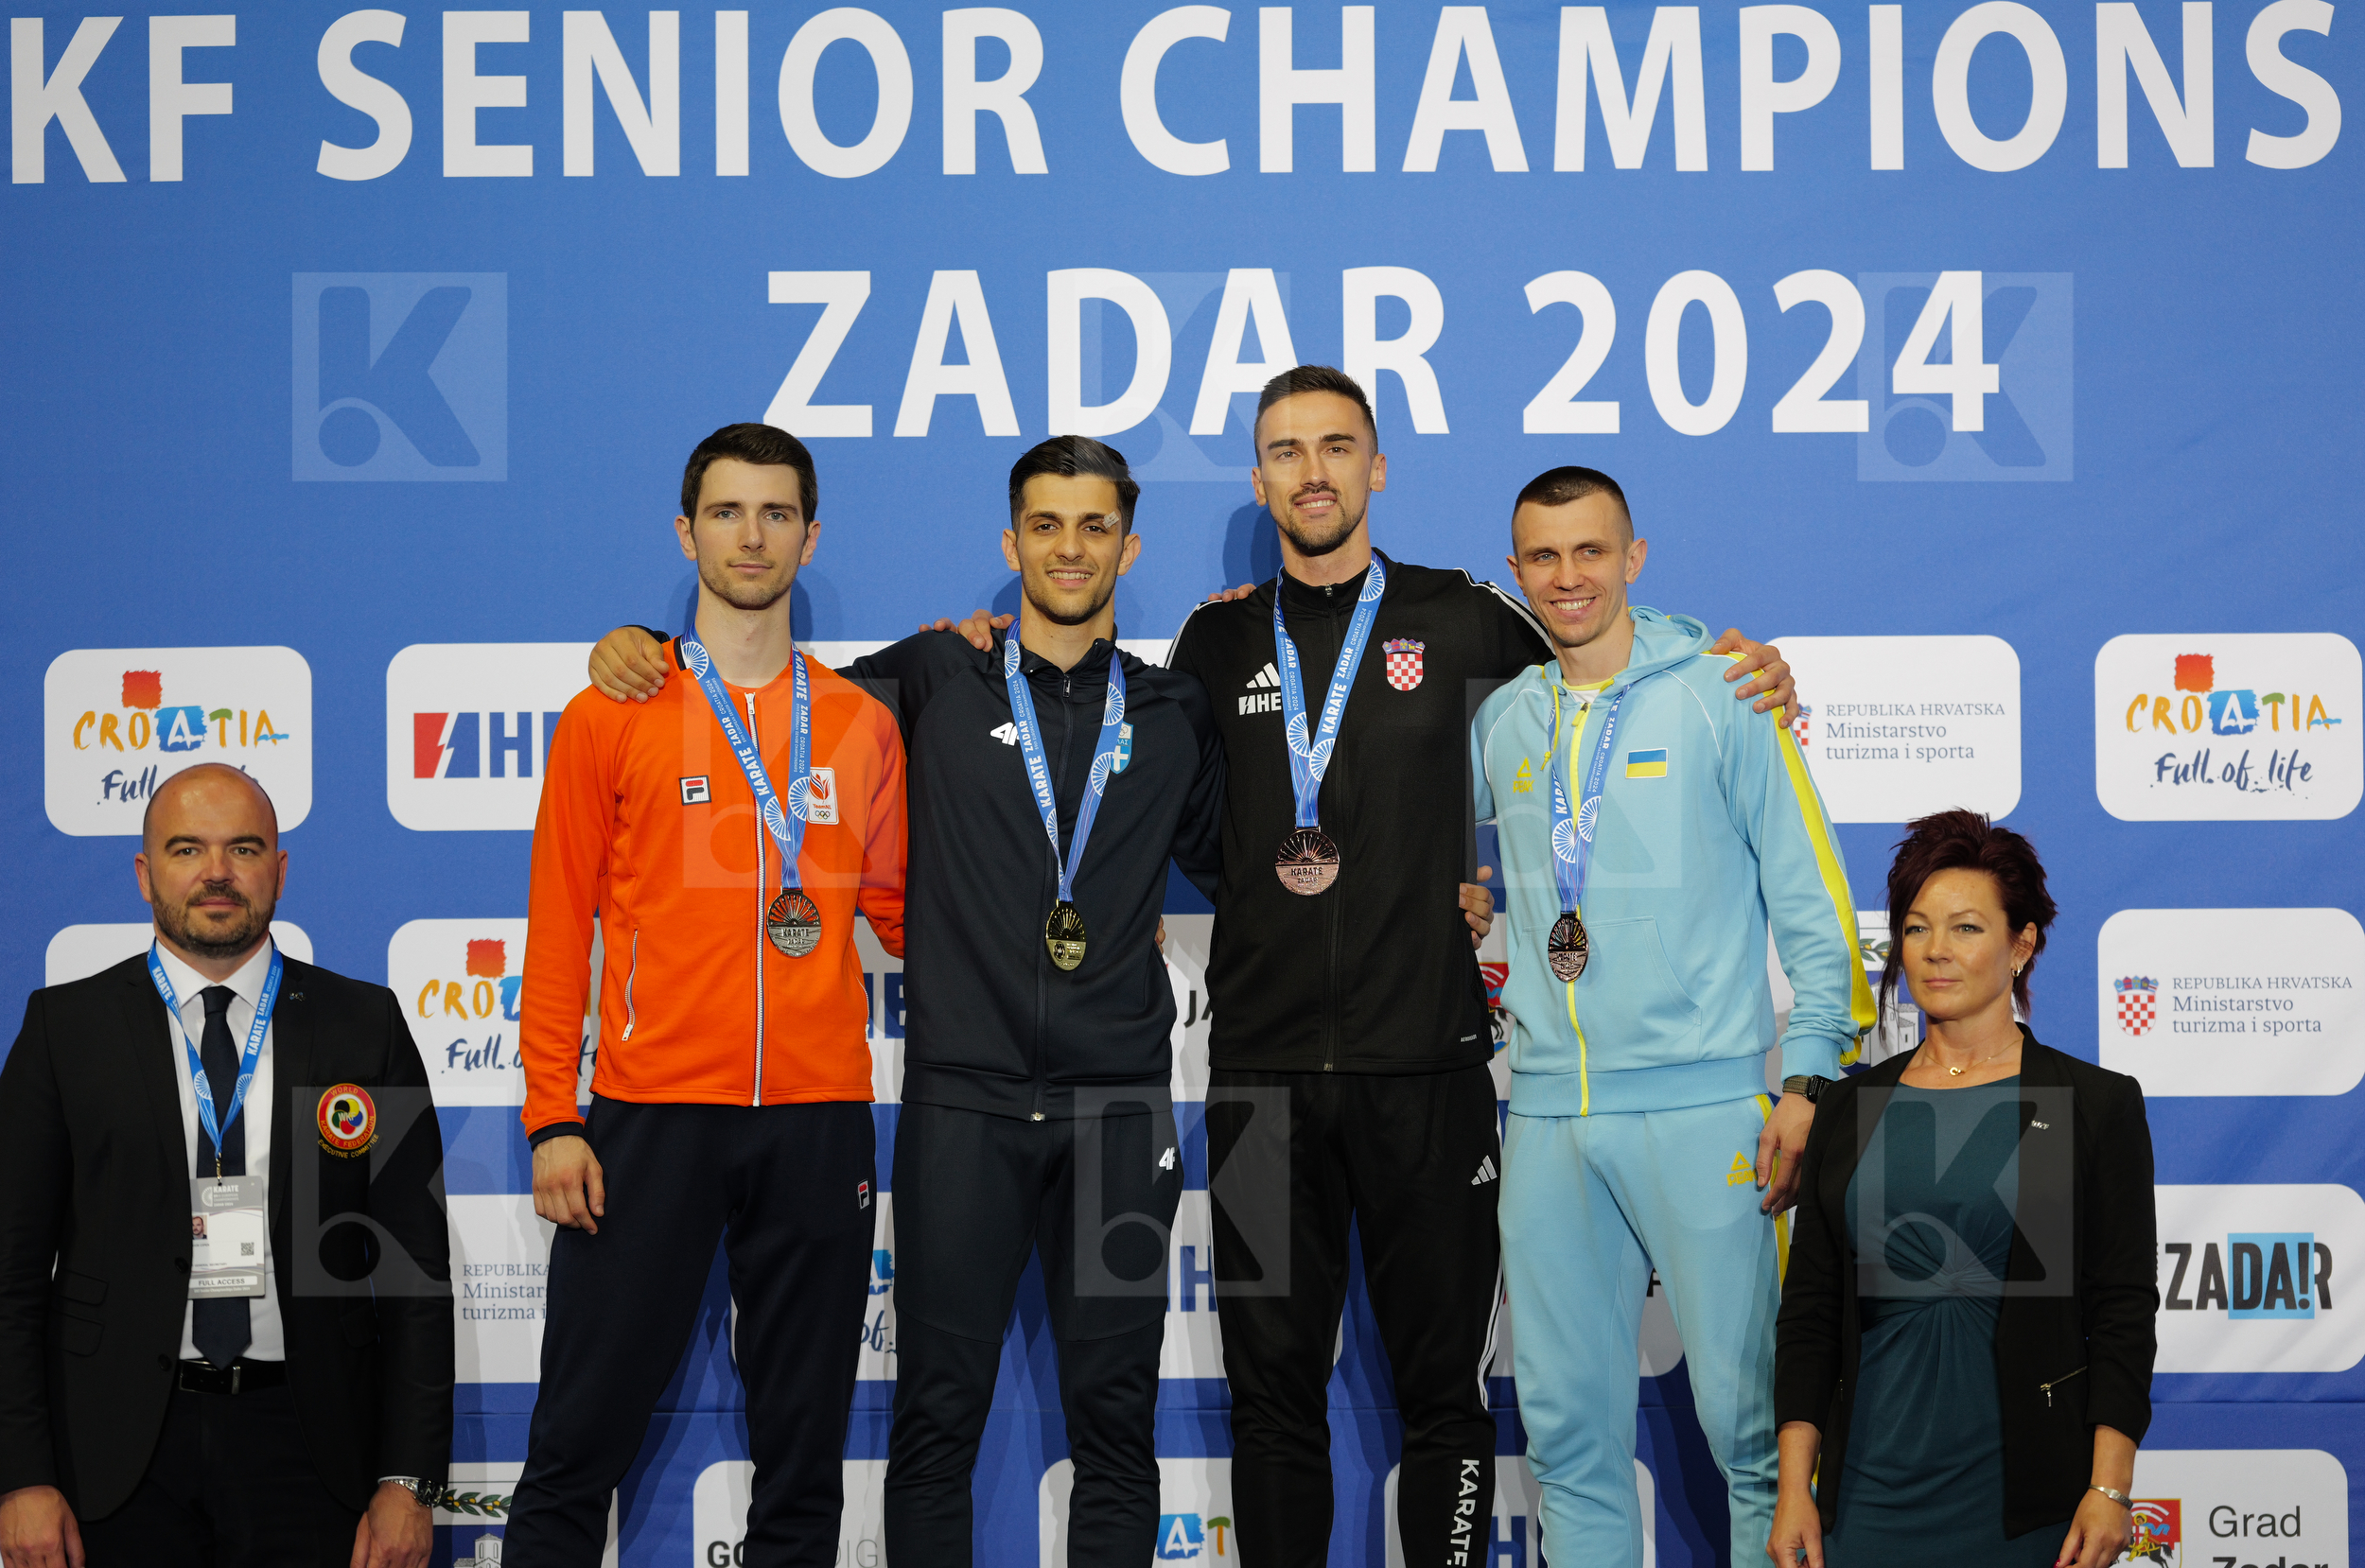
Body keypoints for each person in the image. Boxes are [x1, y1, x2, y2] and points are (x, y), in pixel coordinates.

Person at [914, 372, 1794, 1567]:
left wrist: (1731, 658)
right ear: (1258, 478)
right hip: (1262, 1089)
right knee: (1272, 1395)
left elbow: (1606, 648)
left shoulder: (1463, 613)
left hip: (1428, 1075)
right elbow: (1177, 813)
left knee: (1444, 1394)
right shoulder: (1216, 640)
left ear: (1376, 468)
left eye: (1337, 446)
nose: (1312, 470)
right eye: (1285, 450)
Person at [582, 435, 1226, 1559]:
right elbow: (753, 679)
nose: (1069, 548)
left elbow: (1259, 872)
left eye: (1094, 526)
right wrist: (637, 644)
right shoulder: (929, 677)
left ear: (1128, 546)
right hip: (961, 1109)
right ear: (1010, 542)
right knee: (934, 1426)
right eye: (1045, 524)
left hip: (1117, 1116)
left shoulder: (1175, 709)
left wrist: (1440, 895)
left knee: (1117, 1428)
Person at [507, 423, 908, 1565]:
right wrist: (552, 1115)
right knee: (576, 1440)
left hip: (817, 1119)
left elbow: (903, 914)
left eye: (777, 513)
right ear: (686, 532)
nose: (752, 535)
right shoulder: (612, 710)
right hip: (650, 1114)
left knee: (803, 1457)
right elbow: (559, 924)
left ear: (810, 536)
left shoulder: (861, 722)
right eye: (727, 512)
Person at [1470, 465, 1871, 1568]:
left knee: (1758, 1433)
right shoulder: (1503, 719)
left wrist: (1810, 1075)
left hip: (1707, 1111)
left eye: (1590, 551)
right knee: (1565, 1439)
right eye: (1543, 556)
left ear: (1633, 557)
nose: (1568, 576)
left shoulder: (1723, 694)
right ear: (1516, 571)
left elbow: (1814, 902)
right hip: (1547, 1119)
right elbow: (1419, 855)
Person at [0, 763, 451, 1568]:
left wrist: (409, 1480)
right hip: (112, 1453)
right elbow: (11, 1275)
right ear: (145, 874)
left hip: (314, 1450)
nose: (217, 871)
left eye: (243, 848)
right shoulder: (65, 1028)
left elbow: (413, 1273)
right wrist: (21, 1476)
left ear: (280, 869)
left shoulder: (363, 1024)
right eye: (186, 849)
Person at [1769, 811, 2156, 1568]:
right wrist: (1793, 1488)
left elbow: (2122, 1311)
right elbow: (1810, 1315)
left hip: (2028, 1511)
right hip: (1866, 1502)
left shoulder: (2093, 1103)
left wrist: (2109, 1488)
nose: (1936, 951)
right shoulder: (1848, 1109)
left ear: (2022, 944)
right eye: (1916, 929)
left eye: (1966, 928)